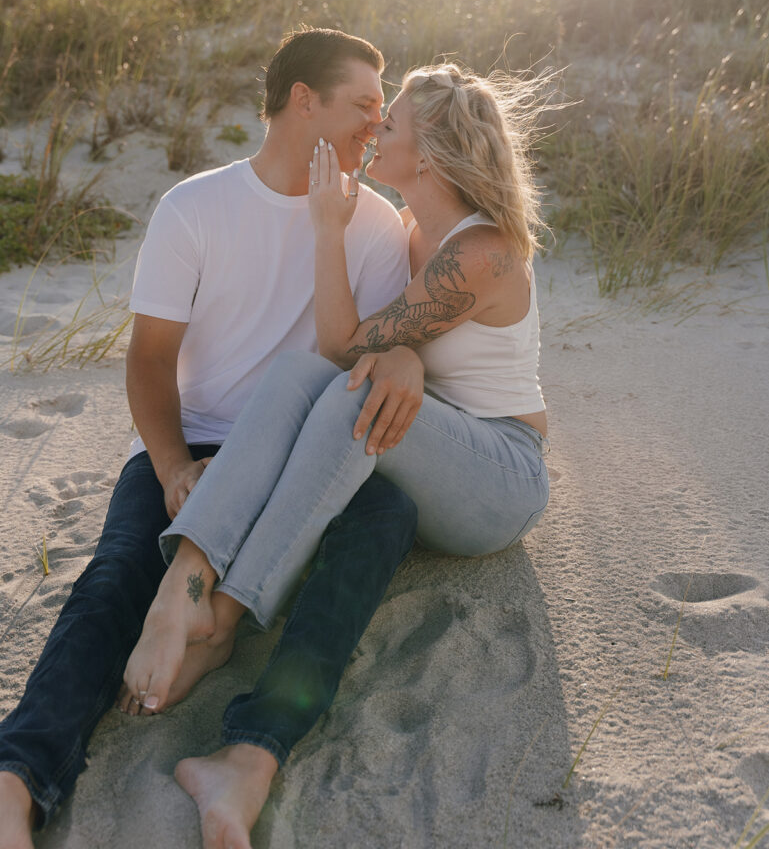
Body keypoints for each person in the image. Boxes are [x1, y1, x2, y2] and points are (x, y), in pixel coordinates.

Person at [0, 28, 424, 849]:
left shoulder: (375, 222)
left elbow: (362, 356)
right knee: (117, 575)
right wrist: (170, 467)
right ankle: (17, 778)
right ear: (304, 101)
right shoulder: (194, 206)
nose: (378, 122)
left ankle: (249, 751)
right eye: (364, 104)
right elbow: (152, 361)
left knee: (384, 520)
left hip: (306, 457)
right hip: (194, 442)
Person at [123, 62, 551, 847]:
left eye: (390, 125)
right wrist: (402, 353)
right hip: (425, 447)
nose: (373, 130)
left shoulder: (480, 250)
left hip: (497, 477)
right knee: (298, 375)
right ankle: (187, 579)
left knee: (342, 383)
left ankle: (221, 614)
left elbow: (346, 347)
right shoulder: (412, 230)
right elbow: (342, 356)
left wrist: (330, 234)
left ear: (426, 155)